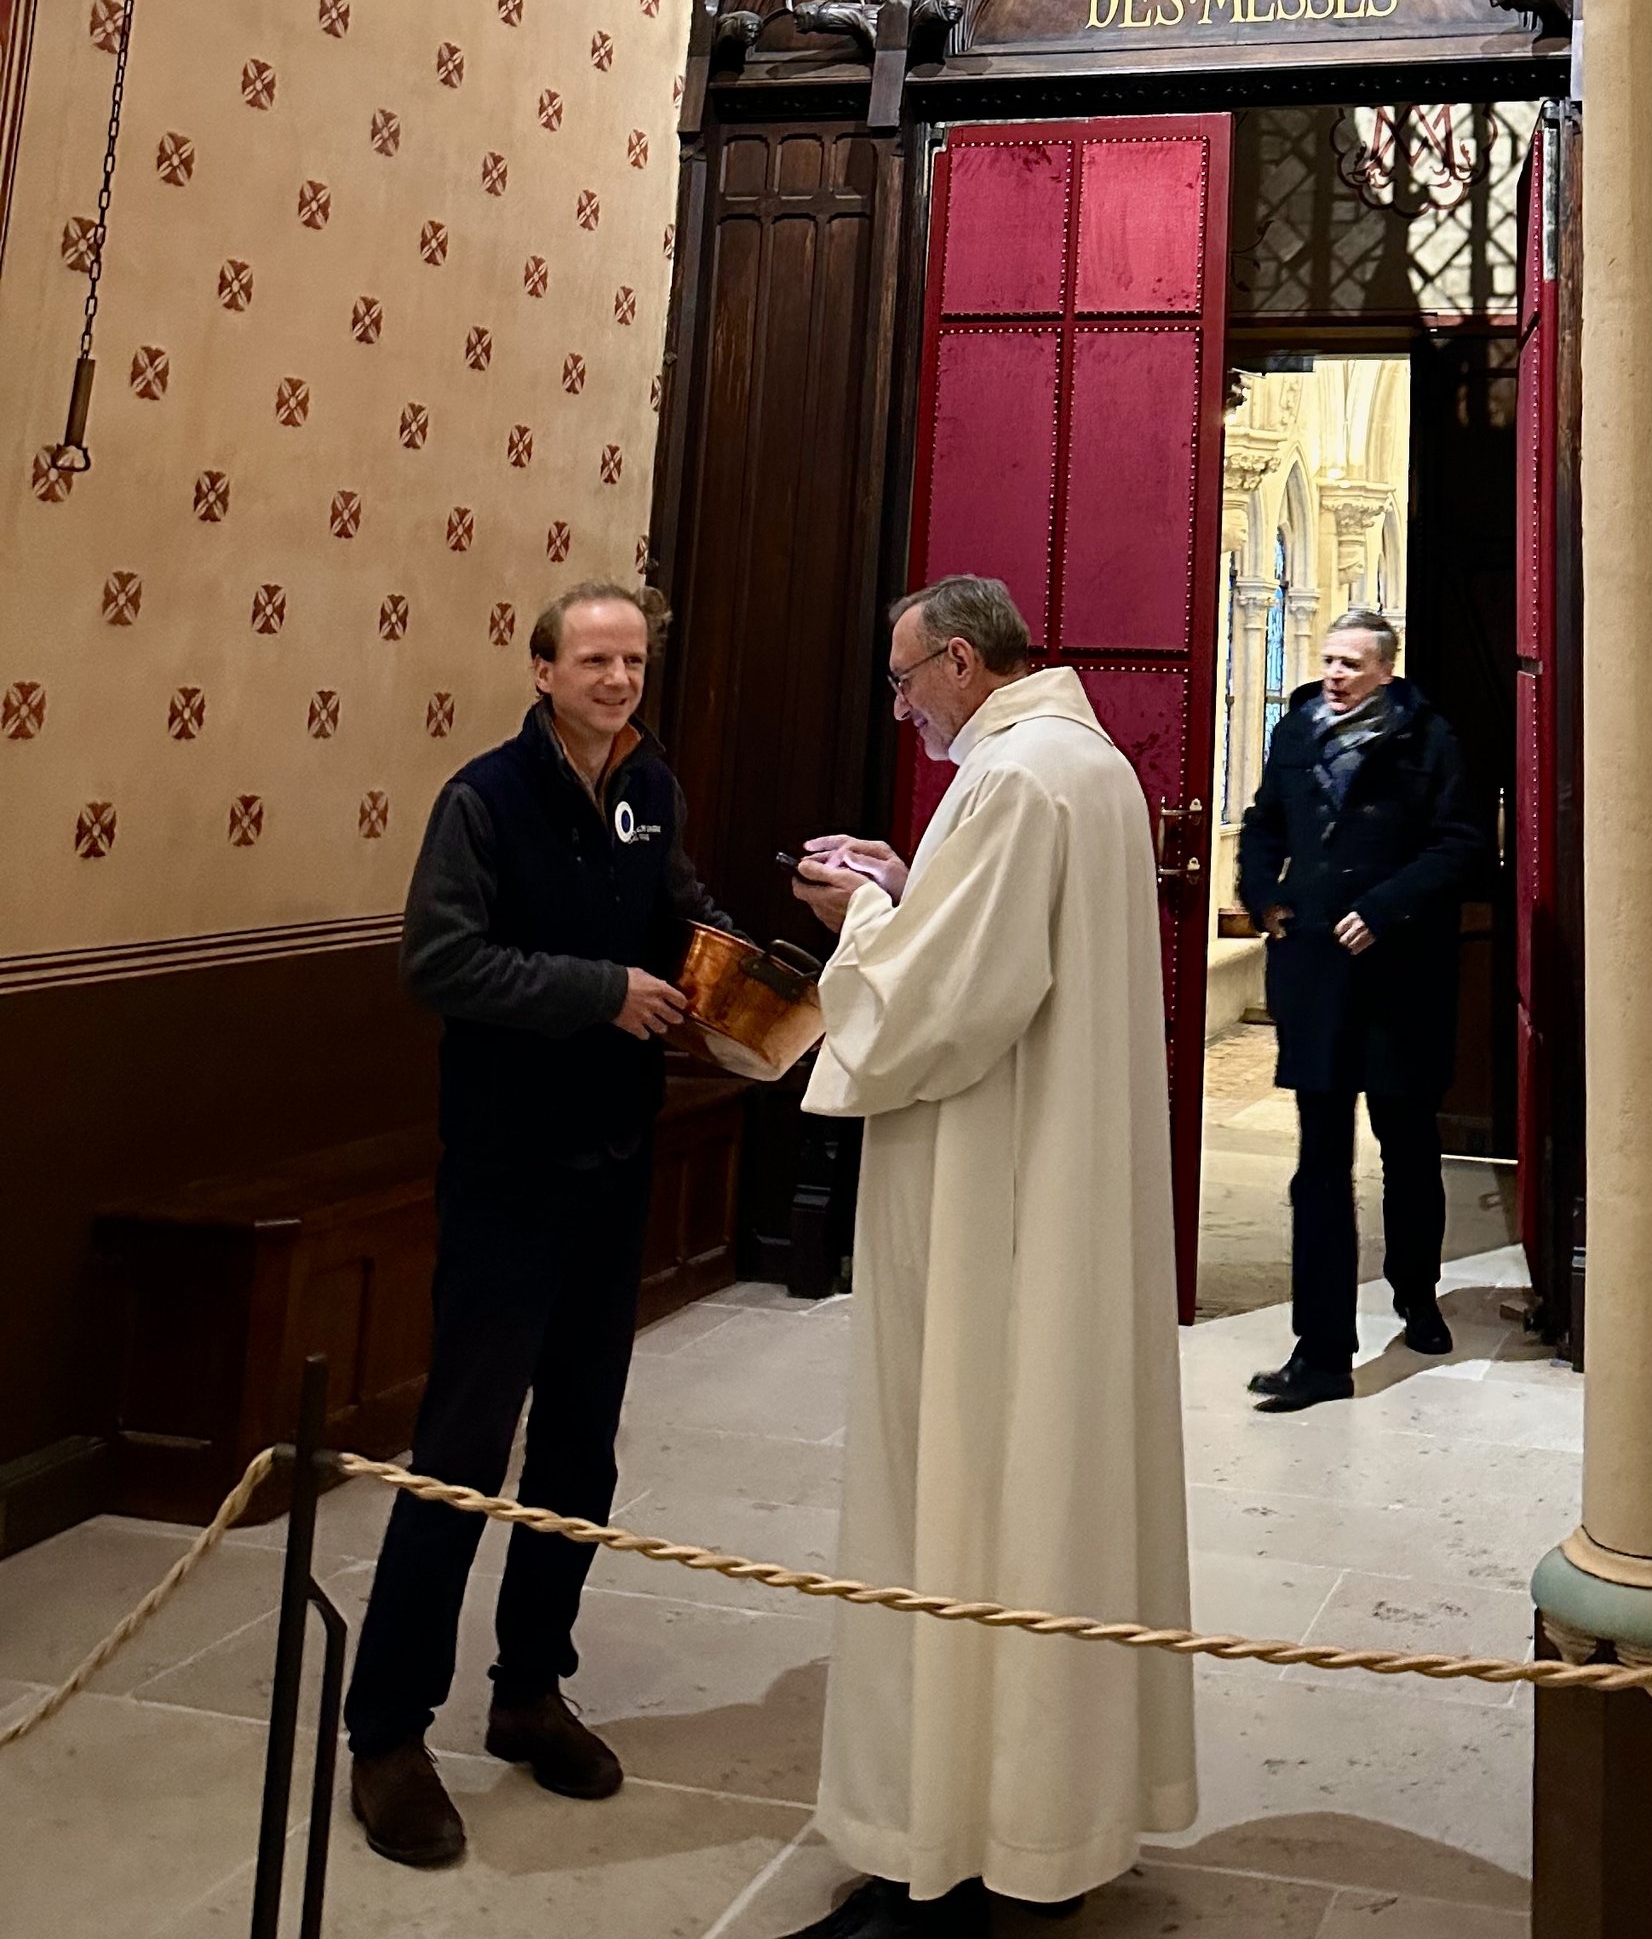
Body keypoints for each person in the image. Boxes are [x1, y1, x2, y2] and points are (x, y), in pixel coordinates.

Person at [785, 573, 1195, 1936]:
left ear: (961, 661)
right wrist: (915, 885)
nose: (903, 707)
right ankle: (1044, 1828)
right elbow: (1004, 940)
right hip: (1050, 1191)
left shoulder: (1014, 779)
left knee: (962, 1484)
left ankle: (947, 1849)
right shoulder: (1085, 763)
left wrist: (859, 921)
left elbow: (941, 1010)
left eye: (906, 680)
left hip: (992, 1206)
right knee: (1044, 1505)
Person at [343, 579, 733, 1867]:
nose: (618, 679)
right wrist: (596, 992)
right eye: (595, 660)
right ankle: (388, 1734)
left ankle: (528, 1691)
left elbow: (678, 908)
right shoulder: (484, 799)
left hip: (612, 1160)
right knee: (462, 1448)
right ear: (543, 669)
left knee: (579, 1449)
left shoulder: (649, 786)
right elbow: (437, 961)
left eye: (634, 661)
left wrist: (748, 956)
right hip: (507, 1166)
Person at [1234, 606, 1484, 1413]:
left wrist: (1383, 908)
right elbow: (1264, 824)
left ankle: (1417, 1293)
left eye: (1351, 663)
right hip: (1317, 972)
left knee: (1407, 1147)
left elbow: (1460, 844)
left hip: (1400, 976)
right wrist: (1264, 895)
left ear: (1385, 670)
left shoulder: (1428, 739)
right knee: (1319, 1164)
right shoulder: (1297, 730)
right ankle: (1321, 1351)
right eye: (1329, 659)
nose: (1334, 674)